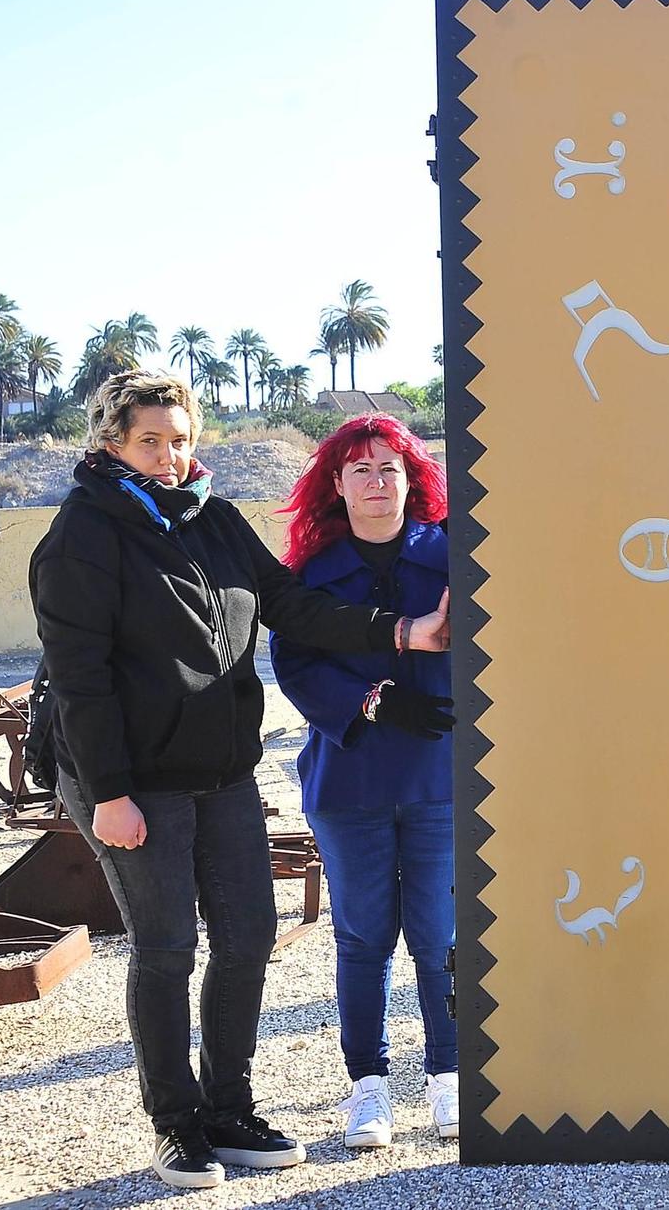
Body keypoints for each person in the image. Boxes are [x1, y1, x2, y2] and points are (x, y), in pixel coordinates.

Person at [30, 371, 441, 1190]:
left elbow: (291, 603)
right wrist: (109, 793)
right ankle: (177, 1125)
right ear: (111, 442)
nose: (171, 455)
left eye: (181, 438)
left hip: (218, 770)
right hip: (131, 778)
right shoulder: (83, 535)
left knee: (249, 935)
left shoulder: (212, 518)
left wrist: (402, 630)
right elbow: (80, 680)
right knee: (167, 948)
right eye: (150, 440)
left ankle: (228, 1106)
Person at [269, 414, 460, 1146]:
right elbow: (297, 666)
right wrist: (373, 700)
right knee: (363, 937)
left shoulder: (455, 557)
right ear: (337, 485)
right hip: (351, 781)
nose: (377, 482)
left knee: (440, 936)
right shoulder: (311, 578)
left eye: (390, 468)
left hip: (442, 778)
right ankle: (369, 1087)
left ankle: (448, 1076)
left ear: (413, 480)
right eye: (361, 470)